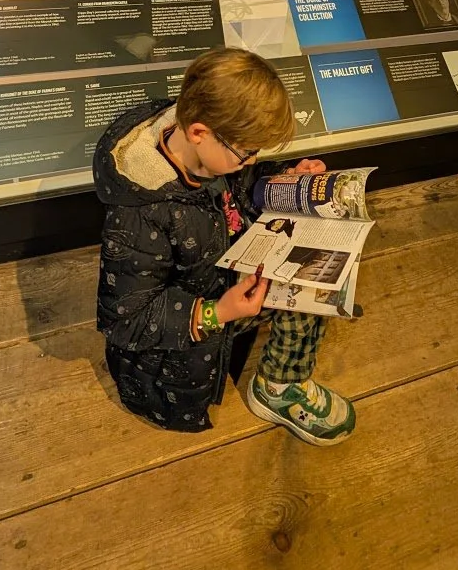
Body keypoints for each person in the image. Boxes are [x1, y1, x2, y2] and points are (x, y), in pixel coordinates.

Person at [94, 46, 355, 444]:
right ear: (199, 132)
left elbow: (238, 184)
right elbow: (125, 320)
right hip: (174, 361)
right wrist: (218, 312)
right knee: (307, 296)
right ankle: (278, 389)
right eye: (247, 152)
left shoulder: (205, 147)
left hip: (227, 266)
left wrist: (285, 177)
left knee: (318, 274)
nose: (250, 161)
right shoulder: (141, 213)